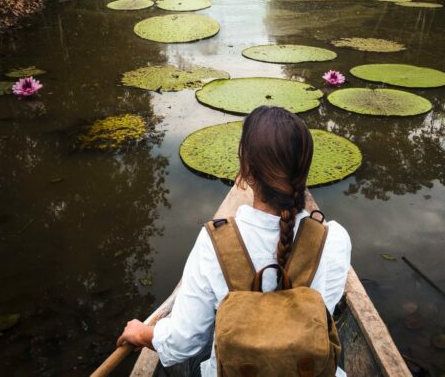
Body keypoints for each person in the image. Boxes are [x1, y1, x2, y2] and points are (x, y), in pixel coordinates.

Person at [117, 106, 352, 376]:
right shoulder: (334, 238)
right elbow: (325, 311)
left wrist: (143, 333)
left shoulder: (213, 244)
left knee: (193, 356)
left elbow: (183, 343)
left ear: (246, 171)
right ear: (304, 172)